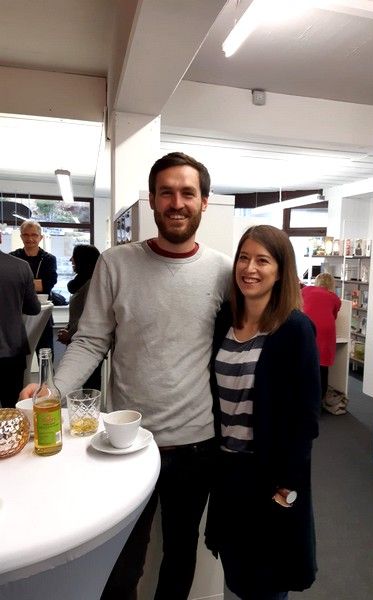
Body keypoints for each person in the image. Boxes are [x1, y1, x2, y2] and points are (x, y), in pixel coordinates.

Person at [21, 152, 232, 600]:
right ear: (152, 200)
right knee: (122, 563)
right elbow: (90, 341)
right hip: (126, 441)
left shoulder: (223, 271)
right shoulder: (116, 264)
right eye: (166, 192)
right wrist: (51, 390)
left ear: (204, 201)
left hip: (196, 443)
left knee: (180, 553)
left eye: (188, 193)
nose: (177, 202)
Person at [206, 225, 321, 600]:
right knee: (237, 577)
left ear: (281, 270)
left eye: (262, 260)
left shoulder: (294, 329)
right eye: (243, 258)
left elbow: (306, 419)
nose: (250, 268)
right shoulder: (225, 321)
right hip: (228, 474)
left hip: (269, 477)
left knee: (268, 583)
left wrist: (286, 489)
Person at [0, 229, 41, 408]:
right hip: (11, 348)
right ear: (0, 237)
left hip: (11, 348)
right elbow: (34, 308)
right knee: (12, 408)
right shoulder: (20, 266)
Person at [57, 244, 102, 390]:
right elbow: (78, 313)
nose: (71, 260)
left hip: (88, 340)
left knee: (91, 384)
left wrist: (69, 333)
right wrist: (68, 329)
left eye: (74, 256)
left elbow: (88, 314)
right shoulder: (82, 281)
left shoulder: (92, 283)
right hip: (77, 336)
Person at [10, 220, 58, 356]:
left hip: (42, 313)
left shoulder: (48, 259)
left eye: (34, 235)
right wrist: (36, 284)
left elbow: (48, 284)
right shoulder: (13, 257)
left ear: (40, 237)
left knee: (45, 353)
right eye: (26, 235)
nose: (30, 238)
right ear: (21, 236)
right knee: (18, 356)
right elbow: (10, 285)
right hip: (18, 313)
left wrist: (22, 284)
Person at [302, 272, 341, 402]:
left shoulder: (306, 290)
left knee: (305, 364)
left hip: (308, 329)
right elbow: (334, 316)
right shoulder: (335, 298)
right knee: (322, 368)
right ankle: (320, 401)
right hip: (326, 333)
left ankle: (304, 399)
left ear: (317, 282)